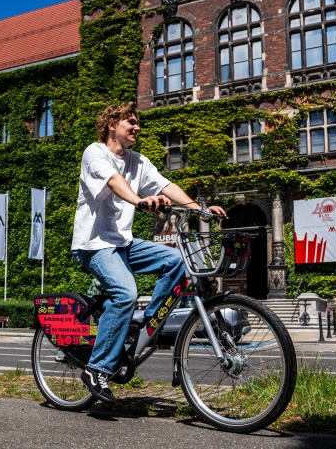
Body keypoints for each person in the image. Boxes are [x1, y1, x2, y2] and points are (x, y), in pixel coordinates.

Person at [71, 102, 225, 402]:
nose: (137, 127)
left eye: (137, 122)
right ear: (112, 124)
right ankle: (97, 369)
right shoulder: (95, 153)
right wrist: (139, 200)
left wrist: (199, 210)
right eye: (131, 121)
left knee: (177, 261)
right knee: (126, 294)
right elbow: (114, 182)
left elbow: (166, 185)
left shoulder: (138, 161)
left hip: (124, 243)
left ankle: (147, 328)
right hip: (95, 245)